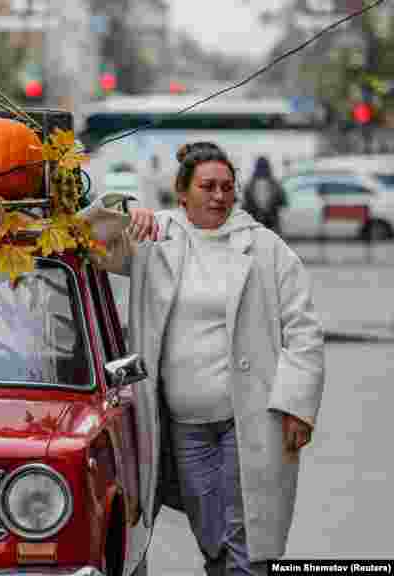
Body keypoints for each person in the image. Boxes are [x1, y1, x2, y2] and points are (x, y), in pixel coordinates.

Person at [91, 141, 324, 575]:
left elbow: (303, 329)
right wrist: (124, 209)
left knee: (244, 534)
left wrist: (298, 407)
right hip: (183, 425)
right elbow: (86, 243)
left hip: (248, 417)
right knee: (211, 532)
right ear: (182, 192)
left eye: (227, 187)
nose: (219, 195)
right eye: (207, 186)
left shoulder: (265, 248)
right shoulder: (152, 236)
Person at [242, 156, 286, 234]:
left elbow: (245, 206)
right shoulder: (275, 184)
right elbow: (283, 201)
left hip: (255, 226)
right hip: (272, 225)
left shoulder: (249, 185)